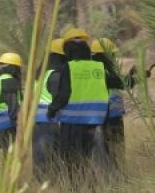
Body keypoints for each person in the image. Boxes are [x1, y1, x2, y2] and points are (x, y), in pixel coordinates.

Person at [46, 29, 110, 185]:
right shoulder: (99, 67)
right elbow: (118, 82)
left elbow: (64, 93)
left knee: (72, 157)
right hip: (96, 121)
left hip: (73, 122)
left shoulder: (69, 67)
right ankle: (93, 186)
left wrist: (52, 108)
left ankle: (76, 187)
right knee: (92, 156)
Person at [90, 38, 147, 166]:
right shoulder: (101, 70)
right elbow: (123, 83)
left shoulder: (102, 68)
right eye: (111, 53)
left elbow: (118, 82)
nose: (114, 56)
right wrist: (139, 78)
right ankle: (113, 172)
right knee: (113, 145)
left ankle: (116, 169)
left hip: (112, 113)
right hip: (108, 114)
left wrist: (131, 75)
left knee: (115, 146)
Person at [32, 38, 68, 183]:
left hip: (37, 121)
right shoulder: (56, 75)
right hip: (51, 120)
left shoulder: (39, 74)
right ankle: (51, 186)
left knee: (40, 157)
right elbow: (58, 100)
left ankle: (40, 184)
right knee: (52, 158)